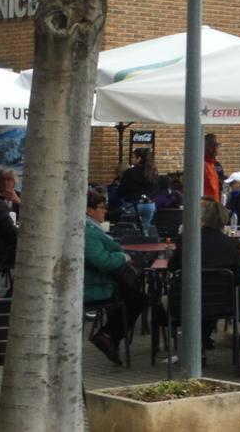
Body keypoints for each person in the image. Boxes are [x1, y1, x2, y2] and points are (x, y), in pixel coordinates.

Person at [168, 198, 240, 349]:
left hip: (186, 301)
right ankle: (202, 340)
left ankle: (197, 343)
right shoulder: (231, 244)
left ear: (202, 217)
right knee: (212, 298)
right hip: (221, 303)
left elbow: (172, 267)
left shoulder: (186, 240)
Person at [83, 189, 147, 365]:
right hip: (94, 285)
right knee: (136, 299)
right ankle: (108, 335)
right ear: (89, 210)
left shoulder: (92, 229)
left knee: (136, 296)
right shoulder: (88, 232)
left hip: (101, 280)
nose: (105, 211)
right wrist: (122, 257)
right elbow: (102, 261)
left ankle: (109, 336)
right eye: (101, 207)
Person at [118, 148, 158, 234]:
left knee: (130, 230)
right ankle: (145, 238)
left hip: (133, 204)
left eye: (133, 157)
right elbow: (156, 189)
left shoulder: (129, 173)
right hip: (149, 204)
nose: (131, 159)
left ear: (139, 158)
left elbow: (121, 190)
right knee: (145, 229)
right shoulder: (153, 172)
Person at [202, 133, 223, 201]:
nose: (215, 149)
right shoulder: (203, 165)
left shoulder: (213, 165)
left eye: (217, 146)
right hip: (207, 205)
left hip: (213, 204)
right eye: (212, 146)